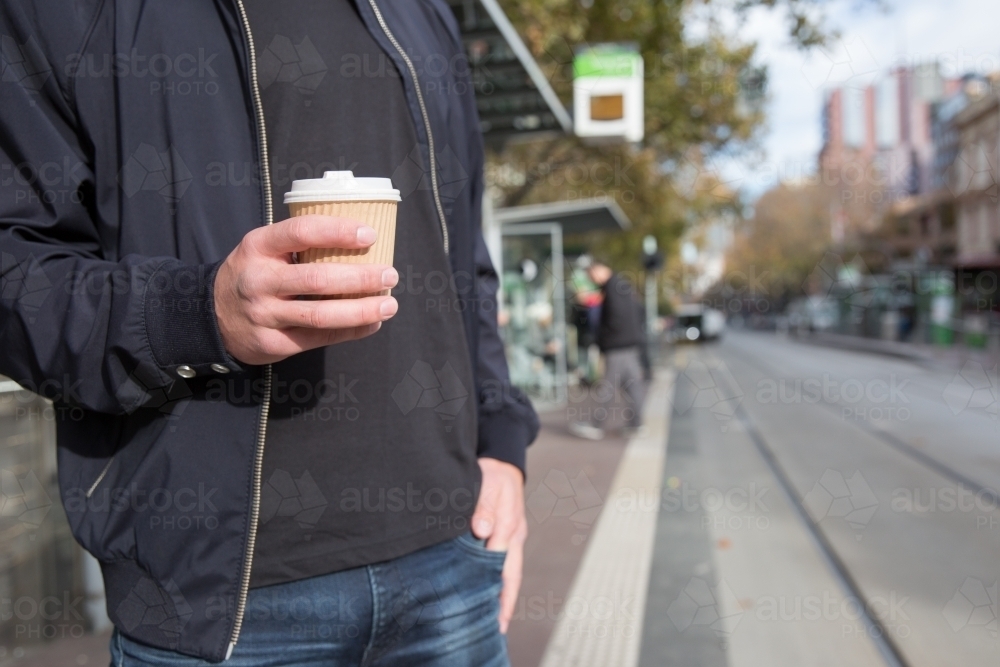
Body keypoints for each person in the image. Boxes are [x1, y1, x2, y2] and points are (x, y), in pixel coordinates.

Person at [0, 1, 538, 665]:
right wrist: (197, 314)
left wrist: (503, 444)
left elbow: (465, 262)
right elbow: (16, 274)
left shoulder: (423, 10)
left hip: (450, 567)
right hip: (218, 609)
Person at [569, 258, 648, 440]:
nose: (591, 278)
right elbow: (638, 311)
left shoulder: (612, 289)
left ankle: (596, 424)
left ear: (598, 269)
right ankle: (637, 424)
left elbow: (615, 319)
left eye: (590, 274)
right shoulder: (621, 285)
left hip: (617, 345)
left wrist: (602, 339)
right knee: (633, 386)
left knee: (608, 387)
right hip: (629, 344)